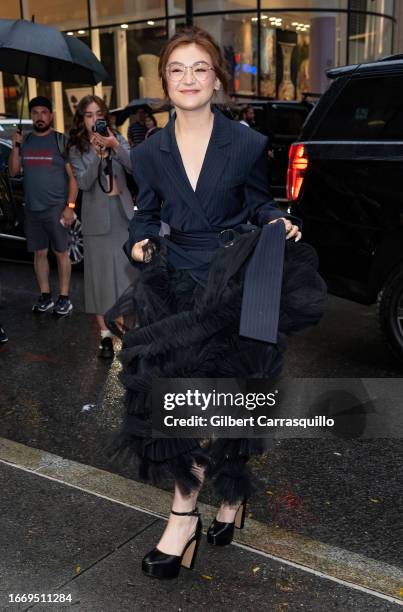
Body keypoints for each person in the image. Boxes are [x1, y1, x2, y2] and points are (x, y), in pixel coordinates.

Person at [105, 26, 326, 579]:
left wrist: (282, 224)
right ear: (165, 82)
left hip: (233, 287)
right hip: (177, 290)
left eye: (199, 68)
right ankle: (185, 517)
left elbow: (259, 207)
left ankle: (230, 495)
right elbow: (147, 211)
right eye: (177, 69)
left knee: (229, 404)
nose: (188, 78)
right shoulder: (151, 151)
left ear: (217, 79)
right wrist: (140, 235)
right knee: (174, 408)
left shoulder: (248, 143)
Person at [68, 96, 135, 359]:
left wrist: (114, 145)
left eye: (98, 114)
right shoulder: (76, 147)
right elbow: (83, 183)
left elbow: (133, 166)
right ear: (81, 119)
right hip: (96, 221)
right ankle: (105, 336)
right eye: (88, 115)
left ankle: (130, 335)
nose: (94, 119)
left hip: (122, 217)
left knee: (127, 280)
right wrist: (97, 156)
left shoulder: (116, 137)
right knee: (100, 280)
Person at [8, 96, 78, 315]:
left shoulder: (60, 140)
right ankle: (46, 296)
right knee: (39, 253)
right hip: (32, 208)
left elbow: (74, 178)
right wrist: (15, 146)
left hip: (56, 207)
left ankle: (64, 298)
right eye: (35, 113)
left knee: (61, 253)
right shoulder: (26, 141)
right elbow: (13, 171)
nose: (40, 117)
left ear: (51, 115)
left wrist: (70, 206)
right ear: (31, 116)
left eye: (44, 112)